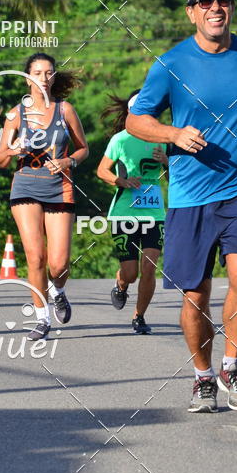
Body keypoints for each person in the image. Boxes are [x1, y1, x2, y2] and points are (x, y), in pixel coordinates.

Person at [127, 0, 237, 413]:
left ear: (231, 7)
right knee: (195, 294)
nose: (215, 8)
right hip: (190, 197)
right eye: (205, 2)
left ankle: (232, 363)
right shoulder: (171, 64)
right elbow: (135, 120)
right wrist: (174, 135)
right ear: (191, 12)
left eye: (223, 0)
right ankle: (202, 376)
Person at [0, 53, 88, 341]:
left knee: (59, 264)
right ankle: (41, 317)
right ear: (27, 78)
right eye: (38, 73)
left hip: (59, 186)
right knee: (35, 257)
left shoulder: (65, 110)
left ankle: (58, 290)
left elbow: (83, 149)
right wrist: (13, 150)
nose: (44, 78)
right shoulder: (15, 114)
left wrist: (68, 161)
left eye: (49, 73)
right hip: (25, 187)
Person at [96, 90, 168, 335]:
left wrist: (167, 161)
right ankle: (120, 283)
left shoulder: (162, 139)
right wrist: (121, 181)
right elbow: (102, 170)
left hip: (154, 214)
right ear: (130, 113)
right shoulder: (120, 140)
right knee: (131, 273)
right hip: (124, 213)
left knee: (149, 267)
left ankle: (139, 316)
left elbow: (175, 178)